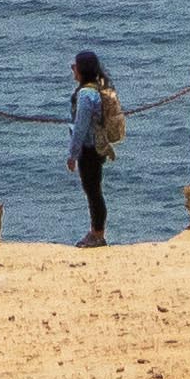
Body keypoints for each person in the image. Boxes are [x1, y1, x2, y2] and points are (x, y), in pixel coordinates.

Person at [67, 51, 123, 246]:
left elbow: (80, 127)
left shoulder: (85, 95)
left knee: (92, 192)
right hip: (99, 147)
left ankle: (97, 234)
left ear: (82, 70)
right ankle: (97, 232)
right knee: (95, 190)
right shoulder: (98, 89)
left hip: (88, 149)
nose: (73, 70)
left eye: (75, 66)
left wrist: (72, 154)